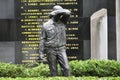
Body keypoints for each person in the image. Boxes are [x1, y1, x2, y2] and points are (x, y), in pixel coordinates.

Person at [39, 5, 71, 76]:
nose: (60, 16)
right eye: (58, 15)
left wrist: (58, 11)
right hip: (50, 50)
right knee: (53, 70)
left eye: (61, 14)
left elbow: (68, 13)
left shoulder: (63, 22)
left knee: (66, 68)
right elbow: (42, 39)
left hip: (61, 49)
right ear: (54, 15)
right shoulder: (46, 25)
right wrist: (41, 53)